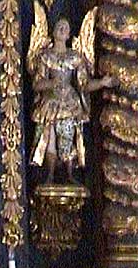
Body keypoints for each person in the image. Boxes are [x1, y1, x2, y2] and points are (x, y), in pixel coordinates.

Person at [30, 18, 117, 183]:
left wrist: (102, 82)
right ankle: (49, 175)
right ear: (53, 32)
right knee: (50, 139)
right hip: (51, 101)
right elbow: (36, 83)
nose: (63, 29)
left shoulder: (75, 57)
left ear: (69, 34)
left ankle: (70, 175)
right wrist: (50, 83)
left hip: (69, 102)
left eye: (66, 27)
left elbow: (83, 84)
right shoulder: (45, 57)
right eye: (59, 27)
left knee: (68, 137)